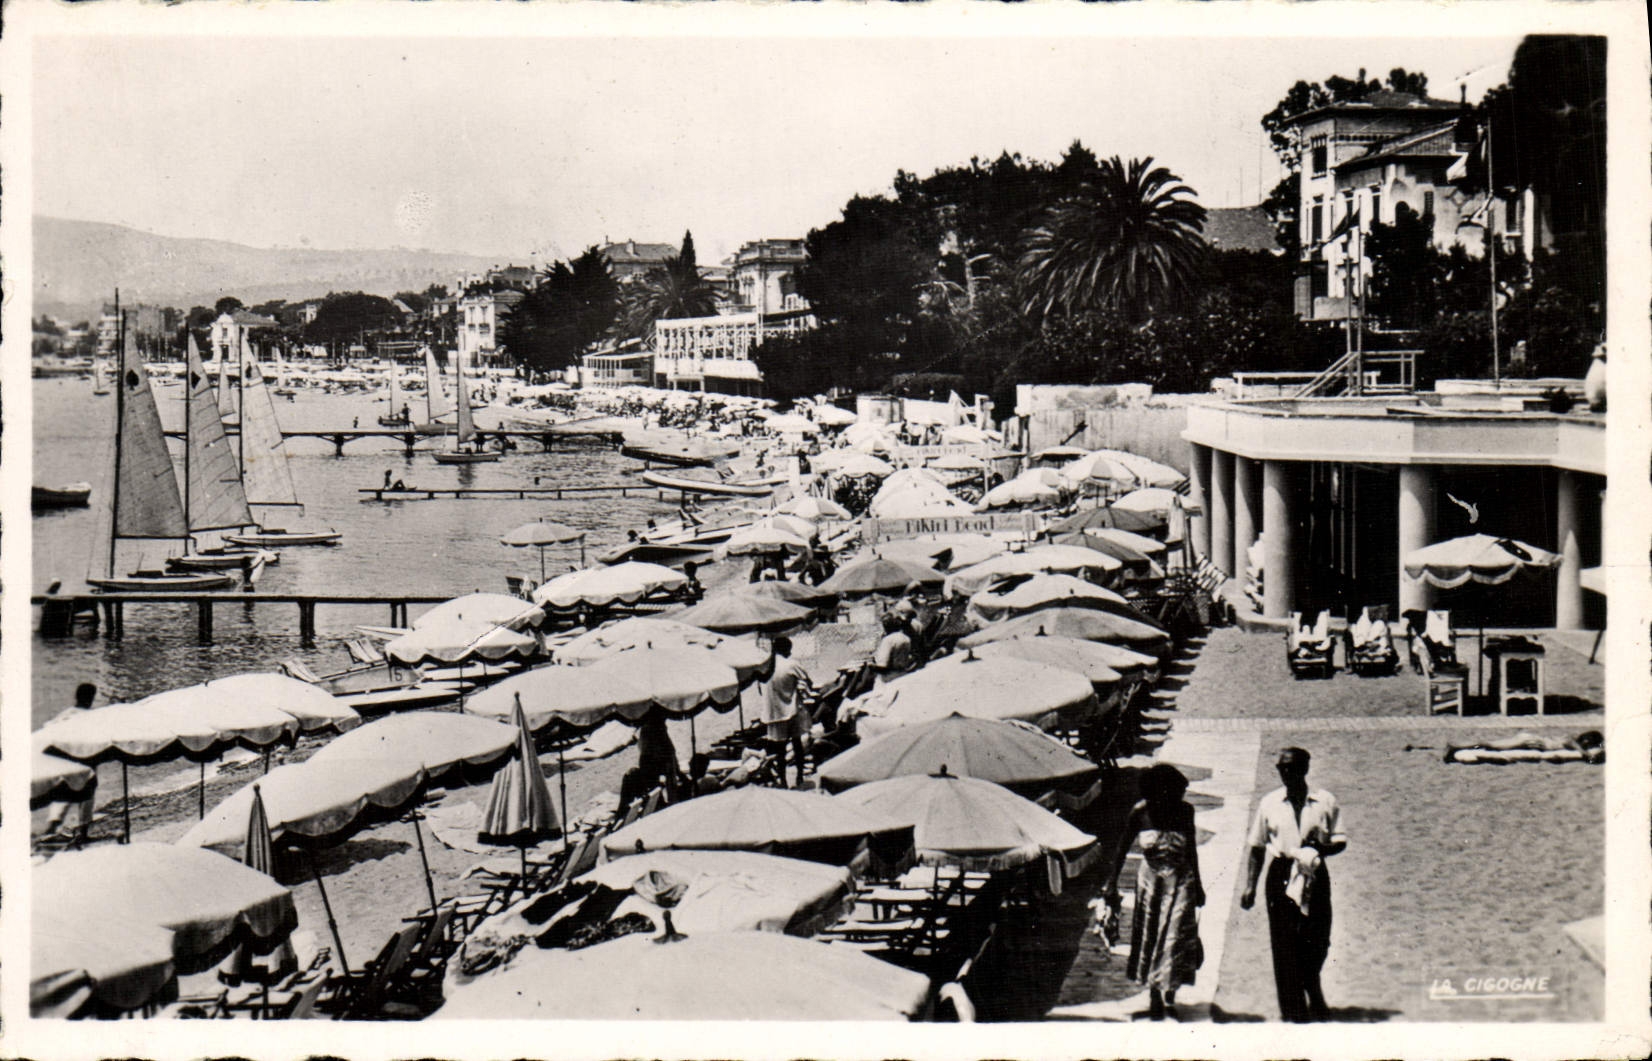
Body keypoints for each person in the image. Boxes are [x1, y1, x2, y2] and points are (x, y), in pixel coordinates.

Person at [1240, 746, 1346, 1022]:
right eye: (1281, 768)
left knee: (1319, 938)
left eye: (1290, 768)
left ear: (1304, 769)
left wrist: (1321, 847)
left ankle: (1312, 985)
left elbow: (1340, 840)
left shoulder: (1324, 801)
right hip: (1281, 872)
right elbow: (1256, 847)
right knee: (1285, 942)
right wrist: (1250, 885)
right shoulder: (1270, 803)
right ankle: (1294, 1009)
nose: (1285, 773)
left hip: (1314, 873)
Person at [1103, 763, 1204, 1020]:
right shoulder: (1140, 812)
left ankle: (1167, 985)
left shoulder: (1185, 811)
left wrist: (1200, 885)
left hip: (1181, 880)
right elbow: (1121, 849)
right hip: (1150, 883)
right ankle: (1155, 992)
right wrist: (1111, 883)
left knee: (1174, 935)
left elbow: (1191, 848)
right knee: (1151, 934)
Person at [43, 683, 99, 840]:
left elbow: (49, 730)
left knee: (64, 792)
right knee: (87, 794)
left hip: (68, 758)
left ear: (77, 696)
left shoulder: (66, 714)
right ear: (91, 698)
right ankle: (83, 831)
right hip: (87, 759)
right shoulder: (93, 716)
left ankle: (52, 825)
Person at [761, 636, 813, 788]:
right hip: (791, 710)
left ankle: (782, 780)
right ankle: (799, 776)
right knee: (797, 744)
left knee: (780, 750)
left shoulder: (765, 666)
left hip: (773, 713)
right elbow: (808, 681)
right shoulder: (791, 664)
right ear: (785, 649)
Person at [634, 710, 684, 801]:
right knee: (656, 788)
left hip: (656, 757)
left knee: (657, 788)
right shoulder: (652, 730)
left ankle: (662, 801)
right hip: (654, 758)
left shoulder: (651, 730)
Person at [871, 612, 914, 687]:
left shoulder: (888, 640)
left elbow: (882, 666)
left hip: (889, 678)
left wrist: (871, 667)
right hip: (903, 674)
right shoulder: (906, 638)